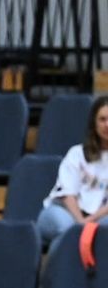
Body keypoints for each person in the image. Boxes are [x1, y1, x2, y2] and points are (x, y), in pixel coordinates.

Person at [35, 95, 108, 245]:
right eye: (102, 119)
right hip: (66, 212)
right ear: (94, 123)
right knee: (66, 229)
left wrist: (87, 223)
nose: (107, 124)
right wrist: (80, 223)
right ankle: (59, 268)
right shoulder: (77, 153)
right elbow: (68, 194)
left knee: (99, 232)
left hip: (101, 218)